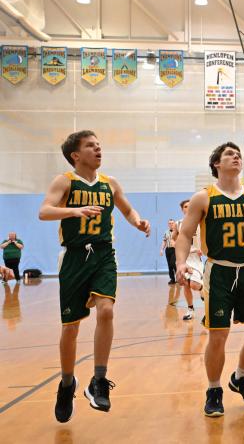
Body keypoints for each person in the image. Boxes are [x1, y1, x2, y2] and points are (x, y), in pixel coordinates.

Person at [38, 130, 150, 423]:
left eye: (99, 145)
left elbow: (127, 209)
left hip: (103, 254)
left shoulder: (109, 183)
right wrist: (74, 212)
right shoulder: (65, 181)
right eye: (91, 146)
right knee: (71, 328)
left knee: (107, 311)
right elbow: (44, 211)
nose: (98, 149)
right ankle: (66, 384)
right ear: (76, 155)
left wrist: (138, 221)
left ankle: (99, 381)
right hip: (74, 257)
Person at [174, 142, 244, 418]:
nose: (236, 157)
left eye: (238, 155)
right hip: (219, 271)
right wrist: (181, 262)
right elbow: (184, 235)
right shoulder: (203, 197)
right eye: (229, 154)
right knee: (218, 335)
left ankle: (240, 377)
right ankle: (214, 389)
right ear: (216, 163)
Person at [175, 199, 204, 321]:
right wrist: (177, 247)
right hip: (184, 259)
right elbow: (173, 239)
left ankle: (206, 292)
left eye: (190, 206)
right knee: (186, 284)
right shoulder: (179, 224)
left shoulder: (200, 221)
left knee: (194, 285)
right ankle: (190, 309)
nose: (188, 208)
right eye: (185, 206)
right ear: (182, 209)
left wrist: (202, 248)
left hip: (196, 258)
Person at [160, 220, 177, 285]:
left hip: (175, 249)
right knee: (169, 265)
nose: (171, 224)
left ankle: (178, 278)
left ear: (174, 224)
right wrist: (161, 249)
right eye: (169, 223)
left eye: (172, 223)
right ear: (168, 224)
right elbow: (164, 241)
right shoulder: (166, 232)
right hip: (168, 249)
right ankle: (172, 279)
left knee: (173, 263)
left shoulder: (177, 231)